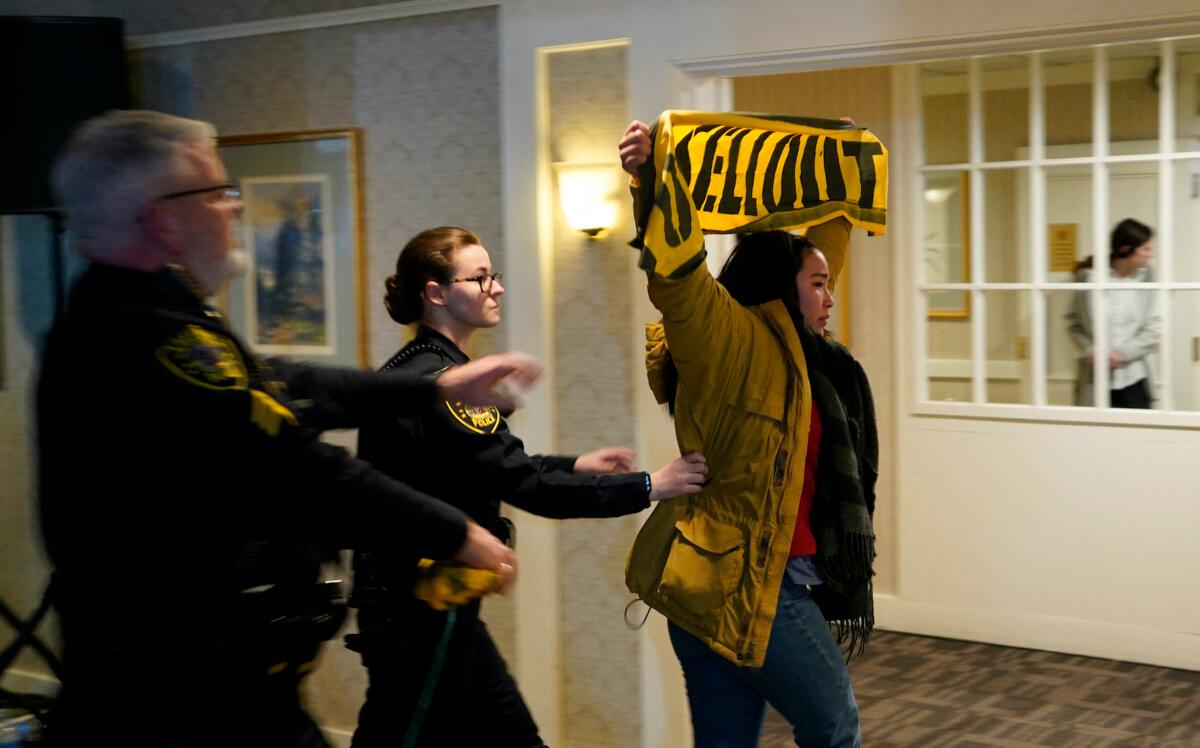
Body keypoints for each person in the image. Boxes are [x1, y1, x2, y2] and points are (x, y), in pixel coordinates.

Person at [37, 109, 530, 747]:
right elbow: (297, 466)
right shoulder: (144, 339)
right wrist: (454, 531)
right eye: (216, 193)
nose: (235, 207)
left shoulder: (152, 312)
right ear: (162, 220)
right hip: (175, 697)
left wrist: (430, 387)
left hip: (229, 682)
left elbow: (286, 383)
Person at [347, 226, 709, 747]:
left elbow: (485, 466)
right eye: (478, 277)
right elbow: (527, 486)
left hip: (429, 606)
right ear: (436, 293)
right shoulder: (448, 385)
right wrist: (651, 484)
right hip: (418, 616)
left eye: (494, 275)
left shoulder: (418, 370)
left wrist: (577, 463)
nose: (495, 287)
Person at [619, 120, 879, 747]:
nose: (829, 297)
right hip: (749, 584)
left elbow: (826, 248)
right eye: (817, 286)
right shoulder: (727, 341)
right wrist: (653, 182)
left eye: (828, 284)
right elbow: (677, 278)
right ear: (781, 290)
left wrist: (842, 165)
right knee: (834, 724)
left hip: (744, 580)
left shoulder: (809, 357)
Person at [1066, 217, 1161, 408]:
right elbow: (1073, 322)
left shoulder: (1148, 279)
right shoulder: (1089, 278)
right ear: (1126, 249)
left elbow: (1156, 326)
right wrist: (1089, 349)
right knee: (1094, 435)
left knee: (1137, 435)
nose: (1151, 255)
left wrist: (1122, 354)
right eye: (1146, 249)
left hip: (1134, 376)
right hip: (1096, 378)